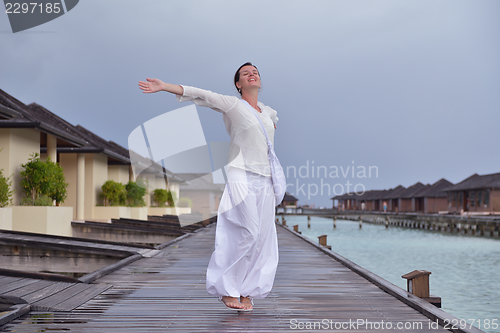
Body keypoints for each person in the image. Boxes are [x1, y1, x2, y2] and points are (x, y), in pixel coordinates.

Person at [138, 63, 280, 311]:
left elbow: (272, 121)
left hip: (265, 179)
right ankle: (226, 288)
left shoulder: (267, 111)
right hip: (241, 175)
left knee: (263, 238)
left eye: (255, 71)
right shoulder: (233, 105)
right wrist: (164, 87)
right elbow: (201, 94)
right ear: (238, 84)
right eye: (245, 73)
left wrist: (272, 123)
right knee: (249, 231)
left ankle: (248, 290)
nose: (252, 74)